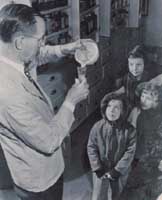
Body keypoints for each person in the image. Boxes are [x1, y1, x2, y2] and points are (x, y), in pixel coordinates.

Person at [0, 3, 89, 200]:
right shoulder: (7, 95)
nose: (43, 43)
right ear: (20, 42)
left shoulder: (11, 54)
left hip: (49, 167)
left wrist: (66, 48)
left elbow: (37, 55)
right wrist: (71, 100)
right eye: (41, 39)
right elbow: (48, 142)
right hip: (38, 181)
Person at [87, 93, 136, 200]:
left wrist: (118, 170)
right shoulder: (97, 127)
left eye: (116, 108)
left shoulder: (130, 130)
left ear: (123, 111)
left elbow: (130, 152)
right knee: (98, 194)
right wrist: (97, 167)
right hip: (101, 168)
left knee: (119, 194)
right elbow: (91, 148)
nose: (111, 110)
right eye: (109, 106)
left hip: (120, 171)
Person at [125, 82, 162, 200]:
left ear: (156, 102)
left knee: (145, 189)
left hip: (154, 158)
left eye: (149, 98)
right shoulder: (140, 113)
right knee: (133, 186)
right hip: (140, 154)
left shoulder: (159, 117)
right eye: (143, 96)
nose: (144, 100)